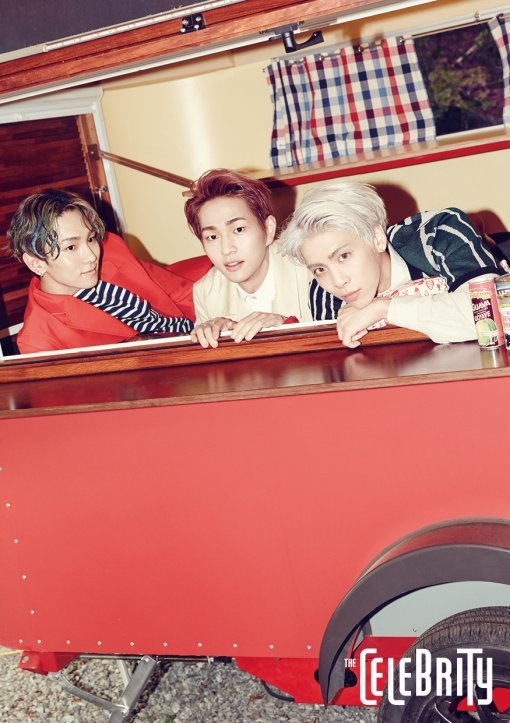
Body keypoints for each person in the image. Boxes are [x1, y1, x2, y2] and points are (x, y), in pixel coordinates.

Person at [278, 182, 503, 347]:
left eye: (344, 256)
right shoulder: (323, 292)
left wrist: (383, 308)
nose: (338, 281)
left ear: (377, 237)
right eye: (319, 269)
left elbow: (489, 318)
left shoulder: (438, 234)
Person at [8, 189, 211, 354]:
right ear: (36, 263)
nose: (91, 256)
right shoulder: (39, 340)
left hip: (199, 326)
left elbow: (176, 290)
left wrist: (214, 318)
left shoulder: (110, 249)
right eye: (71, 247)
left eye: (90, 239)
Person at [184, 169, 312, 348]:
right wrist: (213, 337)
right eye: (212, 237)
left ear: (268, 230)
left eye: (239, 229)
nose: (226, 249)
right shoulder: (206, 292)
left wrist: (287, 325)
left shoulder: (309, 266)